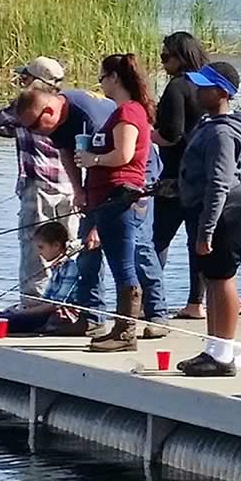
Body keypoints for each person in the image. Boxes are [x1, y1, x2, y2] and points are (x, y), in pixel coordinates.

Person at [0, 55, 98, 300]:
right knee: (70, 247)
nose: (21, 81)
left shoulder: (26, 106)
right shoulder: (62, 107)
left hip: (39, 185)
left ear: (36, 81)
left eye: (25, 77)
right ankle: (70, 301)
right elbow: (8, 128)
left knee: (36, 247)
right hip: (72, 186)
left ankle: (32, 303)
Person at [71, 54, 159, 353]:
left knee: (122, 265)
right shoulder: (126, 111)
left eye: (102, 78)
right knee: (120, 262)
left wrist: (92, 159)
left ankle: (125, 333)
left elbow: (124, 155)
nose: (101, 84)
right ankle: (123, 329)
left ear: (115, 79)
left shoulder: (127, 114)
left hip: (119, 197)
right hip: (109, 198)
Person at [173, 62, 241, 377]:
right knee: (212, 278)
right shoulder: (210, 124)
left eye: (203, 87)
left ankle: (224, 354)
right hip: (207, 207)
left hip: (224, 210)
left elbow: (219, 184)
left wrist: (206, 231)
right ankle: (212, 348)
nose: (196, 90)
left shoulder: (222, 133)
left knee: (222, 279)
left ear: (221, 93)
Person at [152, 30, 210, 319]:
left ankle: (151, 300)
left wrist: (146, 134)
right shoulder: (208, 85)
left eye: (165, 57)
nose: (163, 63)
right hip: (204, 174)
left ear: (179, 58)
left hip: (175, 176)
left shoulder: (177, 87)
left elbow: (171, 134)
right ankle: (196, 302)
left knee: (156, 239)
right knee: (197, 240)